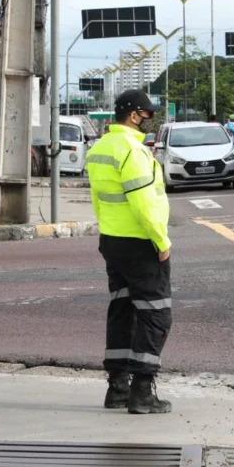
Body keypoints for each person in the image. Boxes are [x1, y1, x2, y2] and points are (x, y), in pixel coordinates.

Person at [85, 89, 173, 415]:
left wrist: (109, 230)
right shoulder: (132, 151)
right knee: (156, 313)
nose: (151, 121)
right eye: (148, 115)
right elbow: (144, 204)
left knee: (122, 309)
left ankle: (117, 388)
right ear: (135, 115)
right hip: (140, 243)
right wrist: (160, 241)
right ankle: (142, 392)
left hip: (112, 240)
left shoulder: (100, 148)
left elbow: (98, 200)